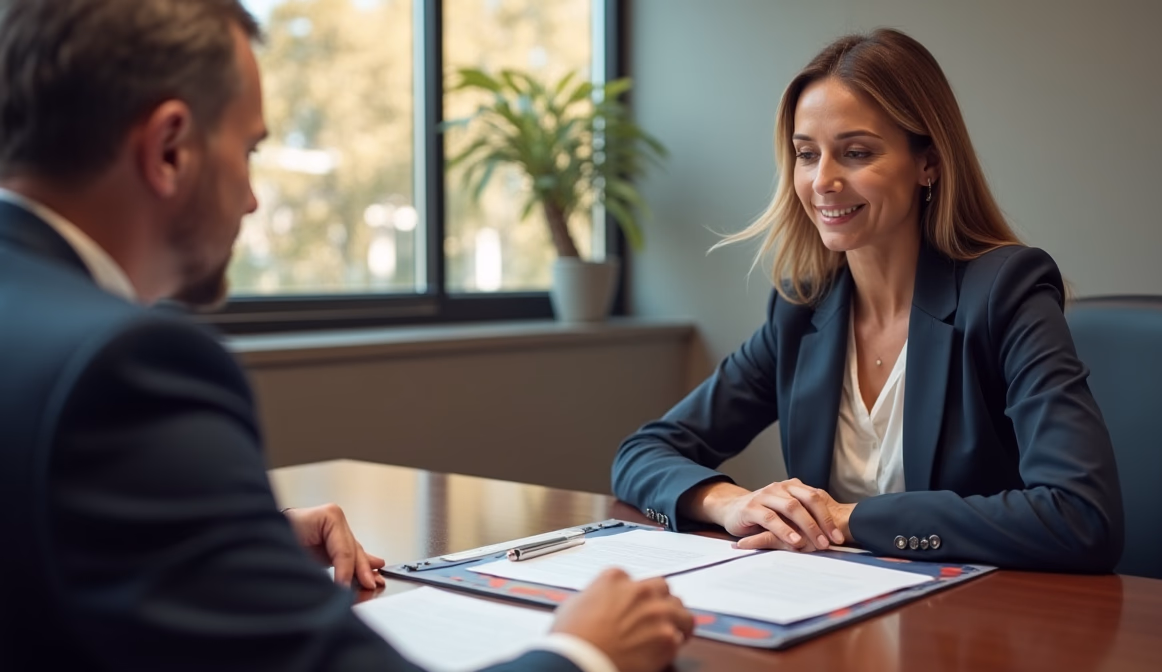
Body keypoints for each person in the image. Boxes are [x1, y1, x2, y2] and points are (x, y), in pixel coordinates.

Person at [0, 1, 692, 670]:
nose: (251, 199)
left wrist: (231, 536)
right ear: (170, 150)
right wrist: (582, 652)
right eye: (249, 149)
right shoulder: (124, 368)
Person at [612, 28, 1124, 573]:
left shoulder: (1006, 293)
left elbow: (1081, 517)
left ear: (927, 162)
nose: (823, 180)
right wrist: (733, 503)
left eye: (856, 153)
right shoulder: (801, 309)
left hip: (974, 628)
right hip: (835, 613)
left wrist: (845, 520)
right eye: (807, 155)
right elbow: (642, 454)